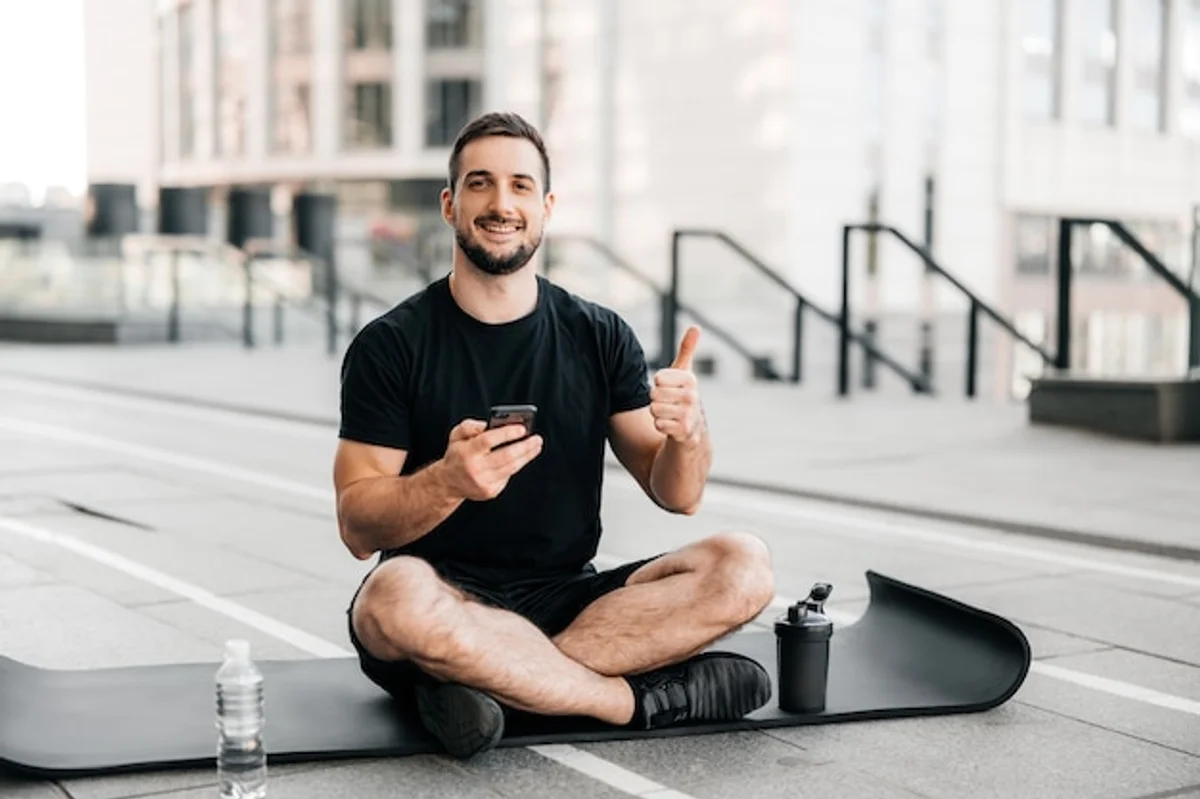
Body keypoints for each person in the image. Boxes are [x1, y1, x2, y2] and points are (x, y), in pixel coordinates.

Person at [334, 111, 775, 759]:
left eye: (519, 185)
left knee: (744, 565)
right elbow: (356, 525)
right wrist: (447, 482)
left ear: (545, 207)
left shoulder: (599, 333)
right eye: (480, 184)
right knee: (390, 597)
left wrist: (687, 432)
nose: (501, 202)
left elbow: (678, 494)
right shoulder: (390, 345)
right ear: (450, 205)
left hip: (571, 599)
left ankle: (488, 685)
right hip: (441, 596)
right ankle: (627, 702)